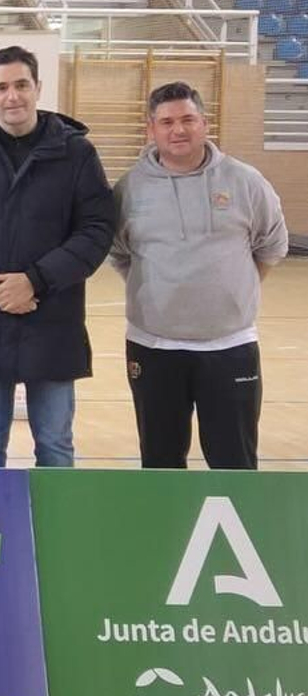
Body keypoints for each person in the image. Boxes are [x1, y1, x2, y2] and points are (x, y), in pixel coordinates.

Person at [0, 44, 114, 468]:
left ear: (38, 87)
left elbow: (96, 229)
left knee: (55, 444)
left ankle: (60, 533)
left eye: (21, 85)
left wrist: (35, 280)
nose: (12, 96)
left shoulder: (77, 154)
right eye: (2, 87)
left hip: (53, 321)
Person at [110, 81, 288, 470]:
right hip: (153, 349)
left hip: (230, 347)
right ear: (151, 130)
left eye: (188, 119)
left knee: (235, 462)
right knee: (160, 462)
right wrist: (159, 296)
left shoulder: (245, 181)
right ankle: (165, 531)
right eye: (167, 122)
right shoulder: (129, 190)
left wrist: (232, 294)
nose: (179, 130)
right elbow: (120, 254)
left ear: (204, 123)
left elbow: (272, 246)